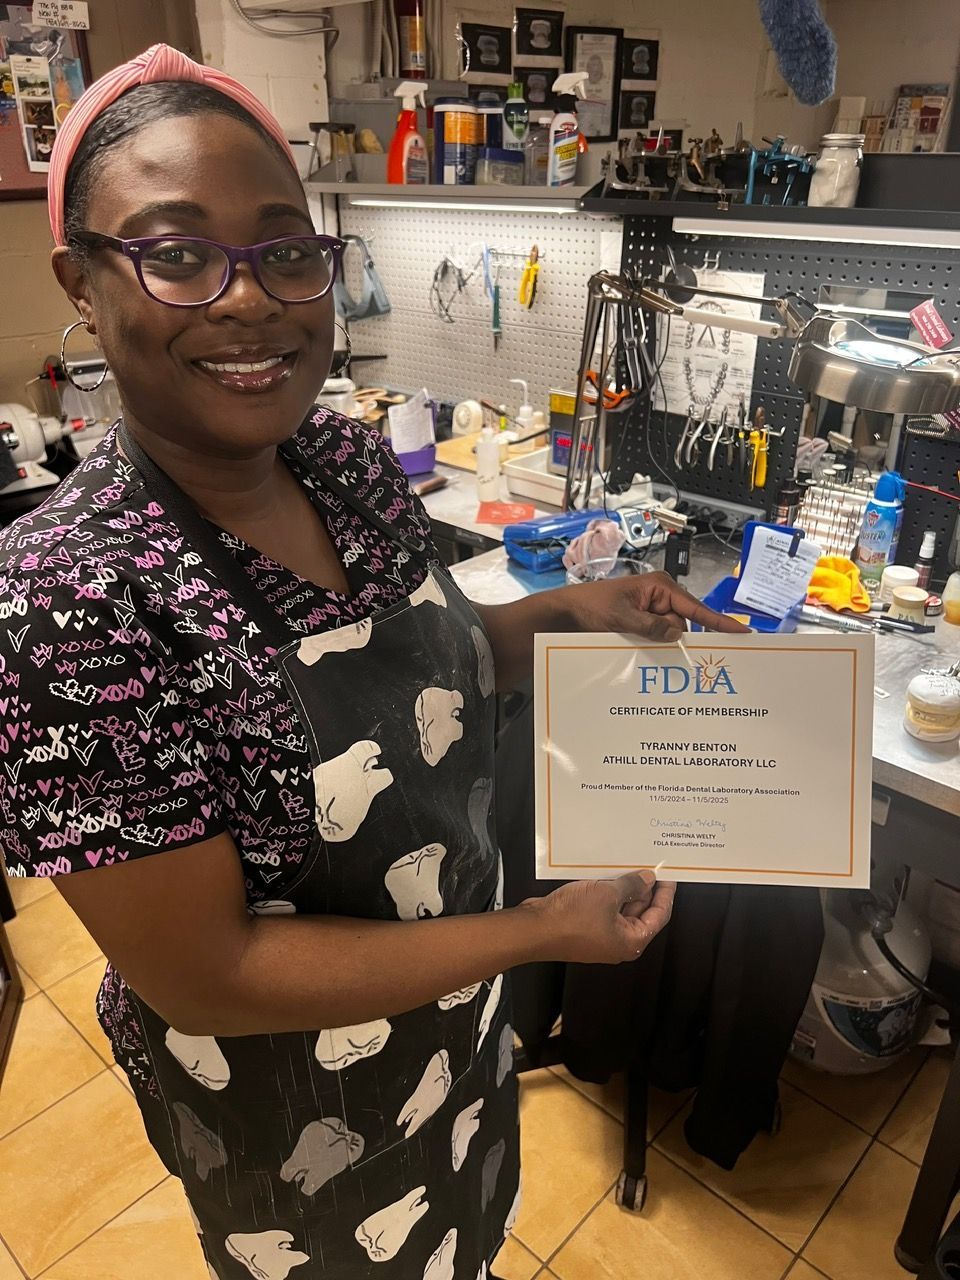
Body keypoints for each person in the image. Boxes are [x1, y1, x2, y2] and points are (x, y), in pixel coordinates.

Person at [0, 44, 743, 1280]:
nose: (249, 300)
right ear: (82, 280)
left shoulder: (340, 463)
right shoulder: (67, 596)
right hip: (289, 1099)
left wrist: (578, 610)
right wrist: (531, 931)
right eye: (177, 252)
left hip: (452, 1033)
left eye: (286, 249)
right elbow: (207, 972)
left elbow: (433, 673)